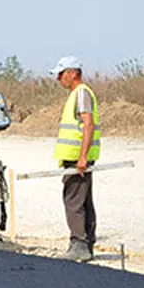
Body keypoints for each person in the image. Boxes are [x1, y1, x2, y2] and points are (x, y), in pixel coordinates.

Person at [50, 56, 100, 263]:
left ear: (72, 73)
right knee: (84, 200)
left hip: (77, 160)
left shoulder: (81, 93)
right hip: (77, 159)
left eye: (61, 74)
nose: (59, 79)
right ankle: (86, 243)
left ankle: (79, 244)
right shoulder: (78, 94)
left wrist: (81, 157)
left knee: (74, 201)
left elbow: (87, 125)